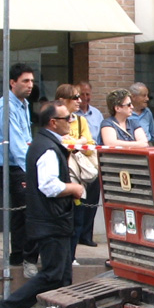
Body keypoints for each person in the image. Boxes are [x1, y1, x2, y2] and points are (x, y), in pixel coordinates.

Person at [0, 101, 86, 308]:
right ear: (53, 122)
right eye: (67, 119)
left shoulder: (46, 144)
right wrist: (74, 187)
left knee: (62, 276)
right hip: (51, 220)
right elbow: (49, 185)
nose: (71, 122)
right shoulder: (48, 148)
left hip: (53, 220)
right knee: (53, 274)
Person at [0, 64, 39, 270]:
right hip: (13, 167)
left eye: (32, 81)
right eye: (25, 81)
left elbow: (25, 139)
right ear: (12, 83)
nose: (30, 85)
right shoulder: (6, 107)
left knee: (22, 214)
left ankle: (20, 257)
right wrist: (32, 170)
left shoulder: (24, 103)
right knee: (28, 212)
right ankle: (27, 259)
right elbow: (17, 143)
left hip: (21, 165)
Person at [54, 84, 98, 266]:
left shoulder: (81, 122)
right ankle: (60, 257)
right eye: (75, 98)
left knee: (78, 218)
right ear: (63, 101)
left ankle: (71, 256)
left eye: (80, 97)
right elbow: (62, 143)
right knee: (63, 221)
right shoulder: (56, 119)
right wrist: (79, 142)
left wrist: (77, 143)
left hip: (78, 178)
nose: (80, 101)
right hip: (61, 177)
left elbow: (90, 146)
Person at [74, 82, 102, 252]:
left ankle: (87, 235)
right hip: (77, 162)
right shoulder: (72, 115)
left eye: (87, 94)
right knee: (80, 199)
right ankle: (76, 234)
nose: (85, 98)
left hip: (92, 162)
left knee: (92, 199)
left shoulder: (97, 114)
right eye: (82, 94)